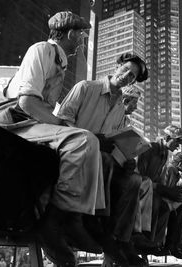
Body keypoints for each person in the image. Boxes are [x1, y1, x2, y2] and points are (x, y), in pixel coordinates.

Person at [0, 11, 102, 267]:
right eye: (81, 35)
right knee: (83, 141)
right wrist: (62, 124)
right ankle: (58, 221)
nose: (82, 41)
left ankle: (76, 220)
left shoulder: (59, 62)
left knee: (84, 144)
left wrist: (61, 124)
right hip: (13, 122)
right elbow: (27, 102)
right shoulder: (42, 50)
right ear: (71, 34)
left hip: (29, 122)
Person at [53, 53, 149, 267]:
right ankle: (96, 223)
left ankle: (122, 239)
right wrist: (92, 138)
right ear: (118, 65)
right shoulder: (86, 87)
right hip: (75, 155)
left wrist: (127, 160)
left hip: (105, 163)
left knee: (134, 180)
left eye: (132, 76)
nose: (127, 76)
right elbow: (62, 121)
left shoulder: (119, 111)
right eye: (126, 70)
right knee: (103, 158)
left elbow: (116, 143)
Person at [133, 125, 182, 253]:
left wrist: (171, 194)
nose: (178, 146)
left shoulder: (164, 155)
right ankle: (141, 238)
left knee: (164, 206)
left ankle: (153, 243)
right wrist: (165, 190)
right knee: (157, 203)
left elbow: (159, 181)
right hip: (138, 186)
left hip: (150, 189)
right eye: (177, 141)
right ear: (168, 137)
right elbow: (139, 176)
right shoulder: (150, 148)